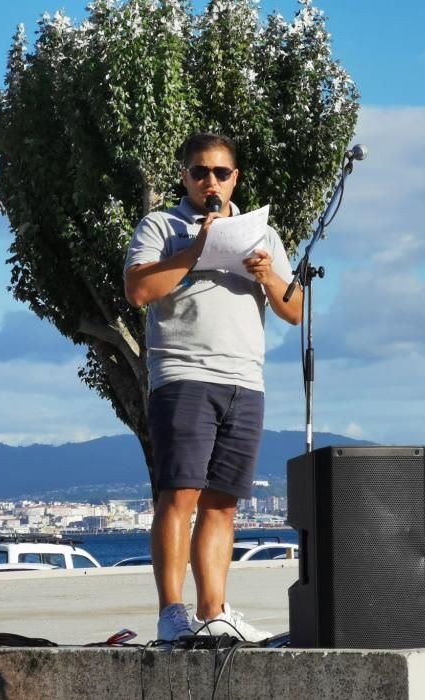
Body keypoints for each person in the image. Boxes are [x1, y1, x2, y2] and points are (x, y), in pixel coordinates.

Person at [124, 133, 303, 642]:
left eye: (221, 173)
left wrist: (268, 276)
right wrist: (199, 248)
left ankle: (213, 611)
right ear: (184, 176)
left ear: (235, 179)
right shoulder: (162, 226)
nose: (211, 182)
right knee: (180, 493)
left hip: (245, 380)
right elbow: (139, 290)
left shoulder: (261, 235)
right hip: (183, 374)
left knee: (223, 503)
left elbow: (295, 310)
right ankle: (172, 612)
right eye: (200, 172)